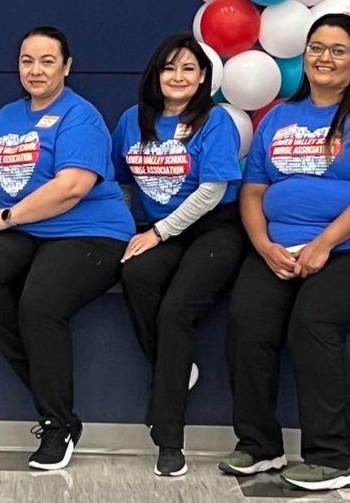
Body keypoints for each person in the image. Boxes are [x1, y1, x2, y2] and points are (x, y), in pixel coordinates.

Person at [221, 12, 350, 493]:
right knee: (248, 318)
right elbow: (252, 192)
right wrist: (265, 246)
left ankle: (335, 458)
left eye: (337, 50)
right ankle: (260, 445)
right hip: (283, 247)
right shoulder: (280, 117)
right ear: (303, 55)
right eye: (316, 47)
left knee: (314, 320)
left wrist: (325, 243)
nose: (324, 58)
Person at [0, 26, 134, 472]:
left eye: (47, 61)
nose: (35, 70)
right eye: (27, 61)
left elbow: (72, 187)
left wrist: (7, 218)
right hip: (28, 230)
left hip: (90, 231)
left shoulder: (81, 115)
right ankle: (43, 383)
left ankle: (57, 423)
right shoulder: (8, 116)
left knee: (39, 304)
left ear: (67, 67)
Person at [112, 33, 245, 478]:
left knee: (175, 311)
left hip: (215, 228)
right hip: (157, 231)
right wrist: (128, 231)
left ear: (204, 76)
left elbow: (213, 191)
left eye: (189, 68)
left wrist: (160, 232)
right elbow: (118, 181)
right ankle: (176, 364)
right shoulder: (133, 120)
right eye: (169, 68)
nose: (178, 76)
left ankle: (169, 439)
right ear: (156, 74)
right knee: (136, 277)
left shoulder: (216, 121)